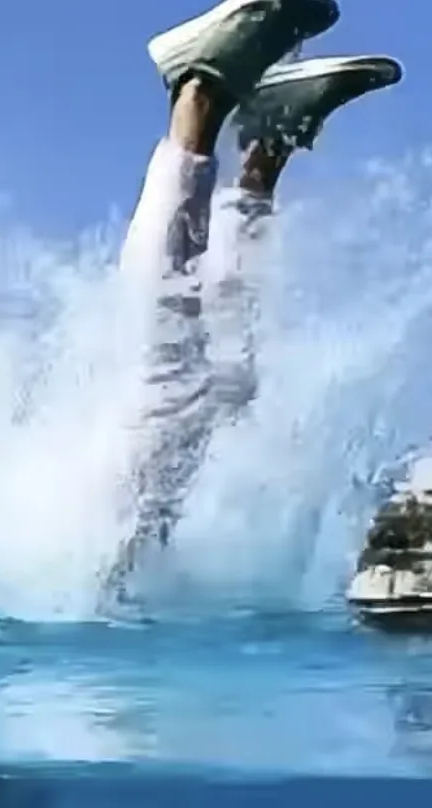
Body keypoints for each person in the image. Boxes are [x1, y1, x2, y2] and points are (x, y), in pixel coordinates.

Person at [107, 0, 403, 595]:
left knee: (169, 391)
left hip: (97, 535)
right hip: (127, 577)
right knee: (228, 384)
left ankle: (199, 91)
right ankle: (264, 146)